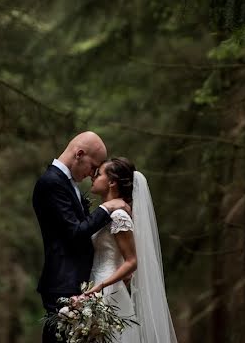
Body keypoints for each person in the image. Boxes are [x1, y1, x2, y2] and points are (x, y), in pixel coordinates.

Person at [33, 132, 131, 343]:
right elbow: (75, 233)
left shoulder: (68, 184)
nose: (92, 174)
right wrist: (106, 207)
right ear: (79, 154)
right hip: (63, 283)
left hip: (81, 284)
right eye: (93, 167)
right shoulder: (51, 183)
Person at [86, 157, 178, 343]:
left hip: (107, 288)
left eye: (99, 174)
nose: (93, 177)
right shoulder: (108, 213)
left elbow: (132, 261)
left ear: (112, 182)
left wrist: (102, 286)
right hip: (96, 285)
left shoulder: (119, 215)